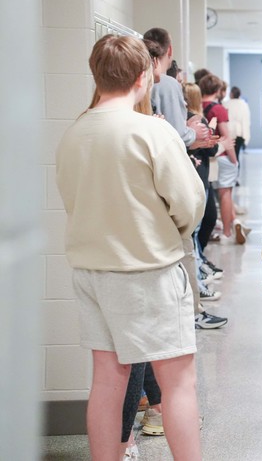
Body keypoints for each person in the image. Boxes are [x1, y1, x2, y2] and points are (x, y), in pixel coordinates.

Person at [55, 35, 204, 460]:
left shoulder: (74, 132)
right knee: (178, 382)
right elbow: (189, 203)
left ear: (96, 74)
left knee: (107, 381)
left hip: (91, 271)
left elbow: (73, 200)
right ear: (144, 78)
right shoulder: (150, 131)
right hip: (147, 272)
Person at [200, 74, 244, 245]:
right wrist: (234, 160)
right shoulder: (218, 109)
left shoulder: (197, 106)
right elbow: (227, 136)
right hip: (223, 156)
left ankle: (215, 228)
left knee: (209, 195)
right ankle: (227, 232)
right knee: (225, 193)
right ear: (218, 90)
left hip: (206, 156)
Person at [224, 86, 251, 164]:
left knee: (230, 155)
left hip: (228, 132)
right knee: (236, 153)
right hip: (239, 133)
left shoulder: (226, 104)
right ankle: (236, 169)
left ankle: (234, 169)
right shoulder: (244, 104)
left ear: (231, 94)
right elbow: (246, 120)